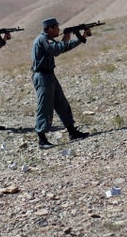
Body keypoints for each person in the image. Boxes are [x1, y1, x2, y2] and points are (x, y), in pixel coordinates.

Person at [31, 17, 91, 149]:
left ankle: (72, 131)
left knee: (61, 103)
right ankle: (41, 139)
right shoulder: (43, 39)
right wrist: (80, 38)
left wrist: (72, 38)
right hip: (42, 76)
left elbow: (58, 48)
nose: (59, 29)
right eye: (56, 27)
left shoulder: (47, 39)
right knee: (45, 107)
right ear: (50, 29)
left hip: (49, 75)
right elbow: (57, 50)